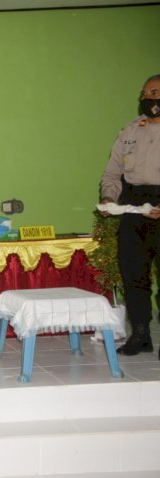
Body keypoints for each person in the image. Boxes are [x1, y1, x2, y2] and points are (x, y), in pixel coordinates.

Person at [99, 74, 160, 358]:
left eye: (155, 93)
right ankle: (140, 334)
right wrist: (109, 198)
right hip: (133, 207)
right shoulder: (130, 131)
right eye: (145, 94)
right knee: (133, 275)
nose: (148, 99)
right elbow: (112, 173)